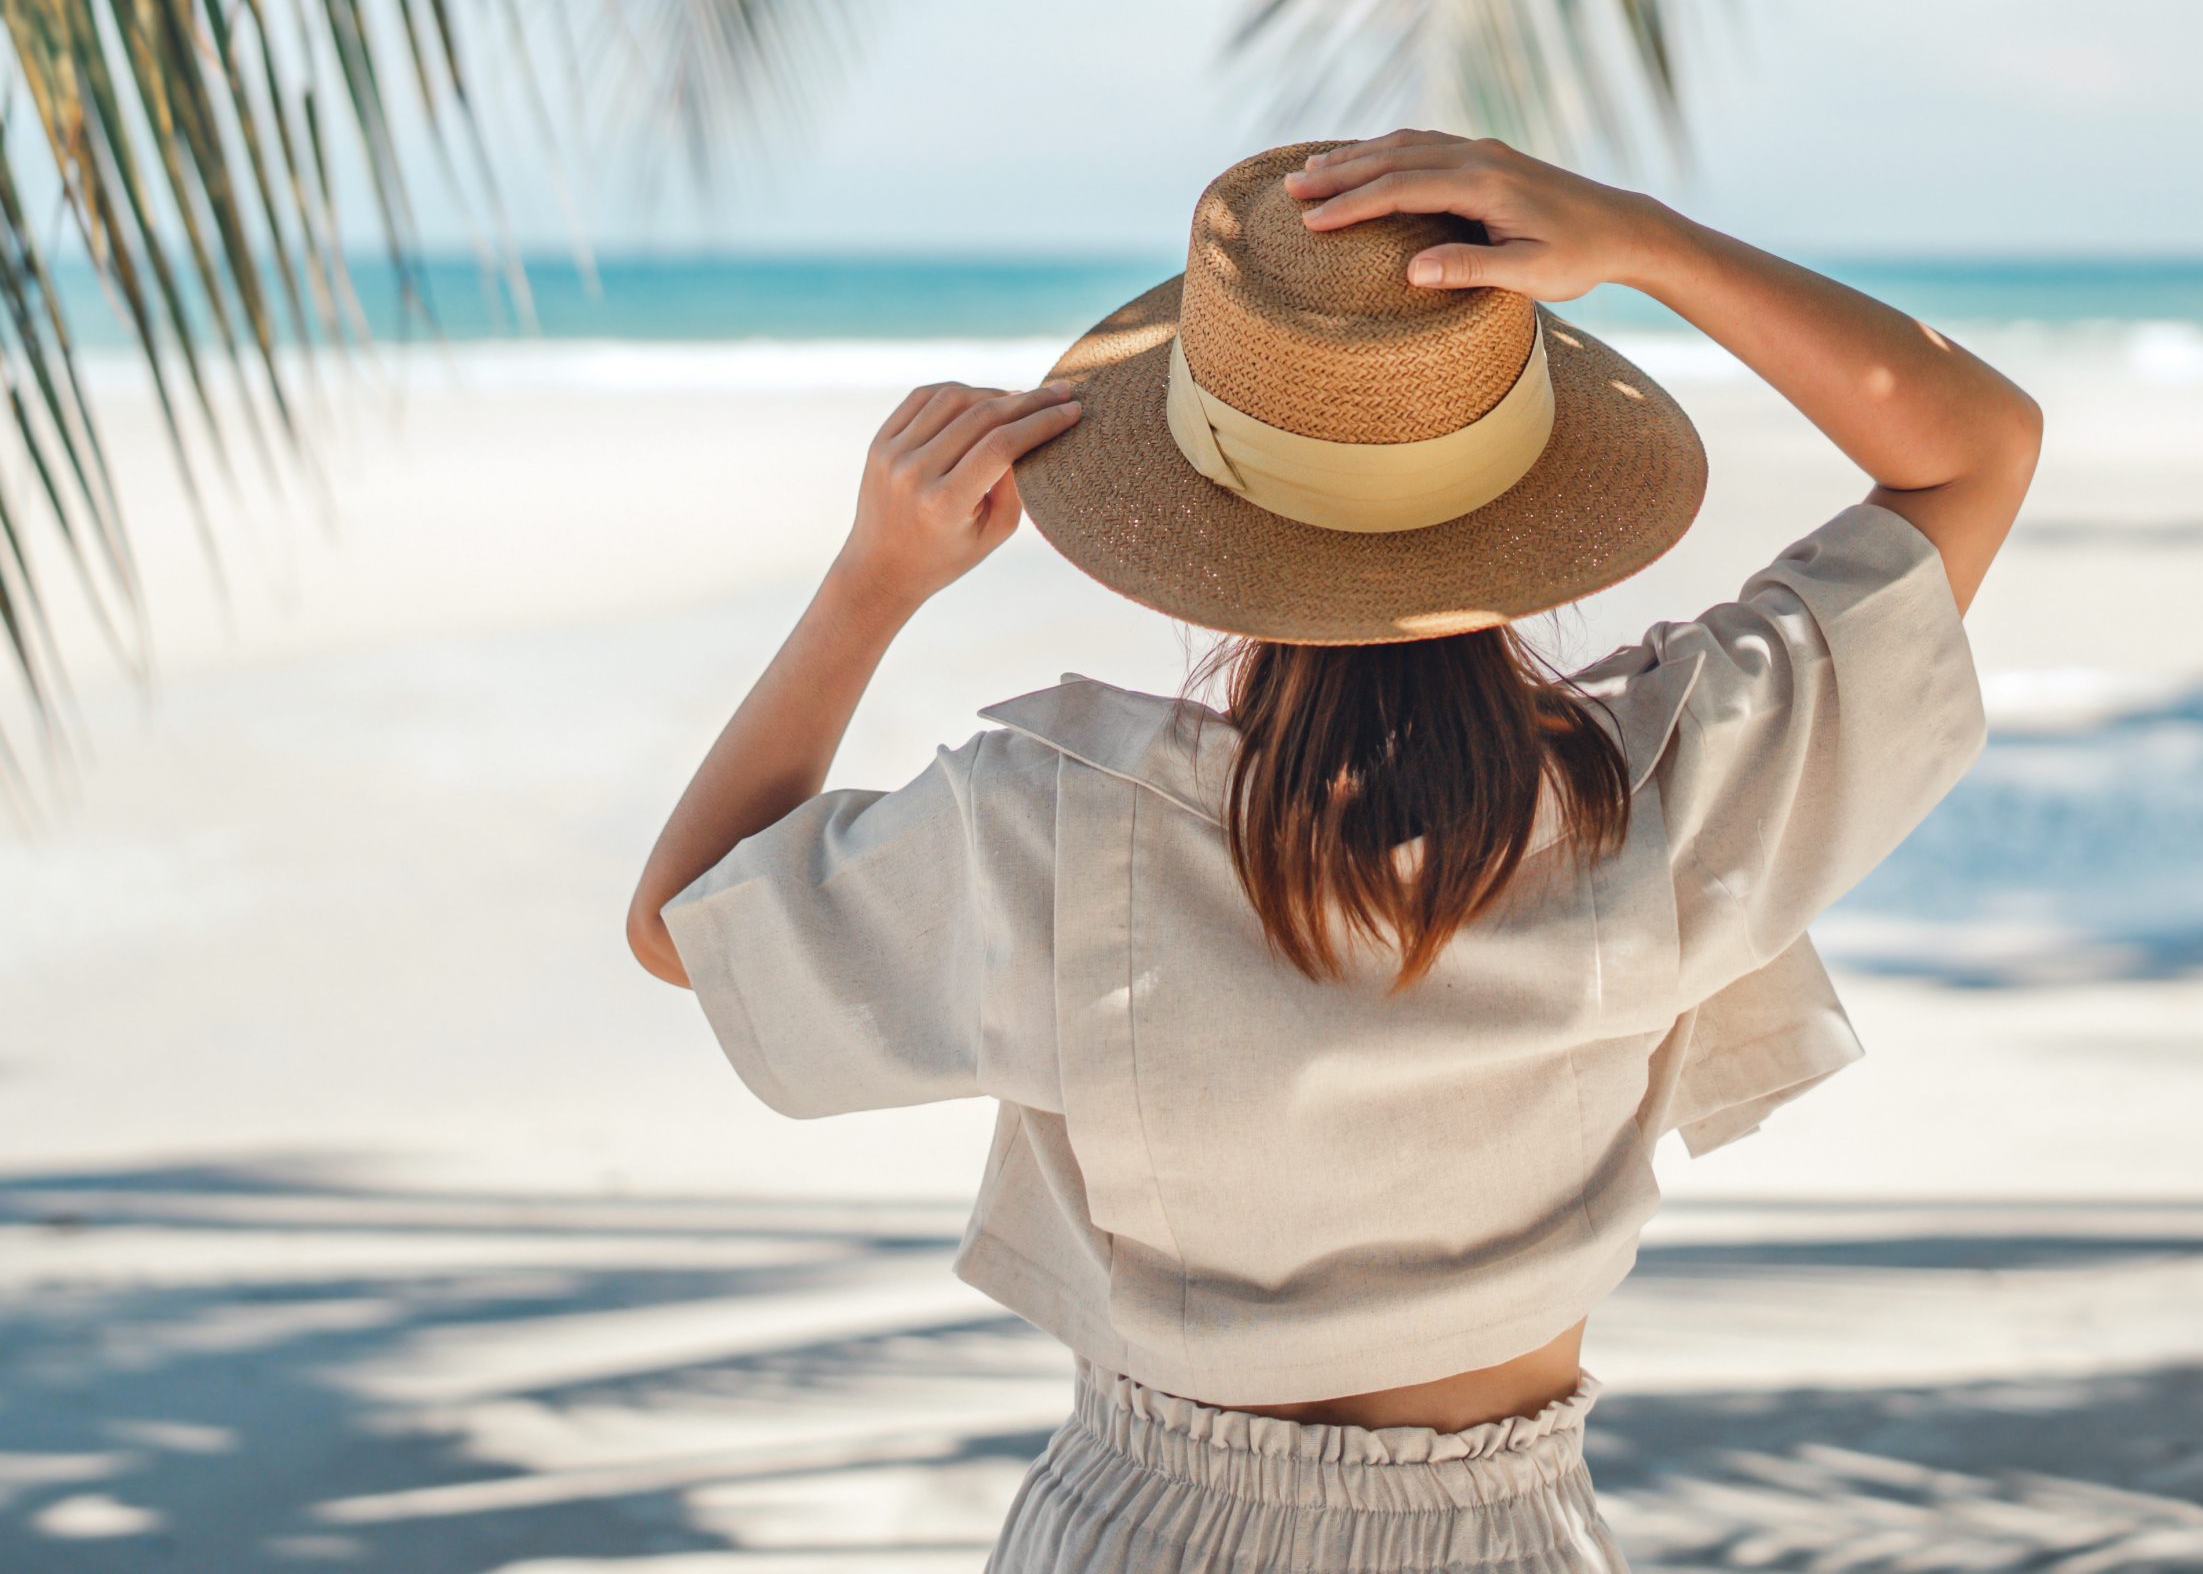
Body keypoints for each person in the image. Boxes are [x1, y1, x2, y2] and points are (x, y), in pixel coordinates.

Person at [628, 131, 2041, 1573]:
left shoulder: (1049, 822)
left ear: (1194, 514)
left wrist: (873, 581)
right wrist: (1642, 241)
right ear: (1534, 486)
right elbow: (1976, 448)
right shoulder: (1662, 792)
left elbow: (685, 925)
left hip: (1139, 1529)